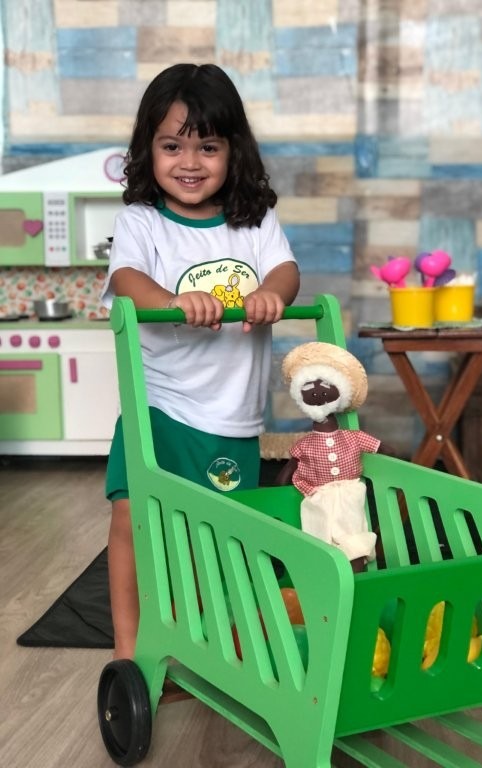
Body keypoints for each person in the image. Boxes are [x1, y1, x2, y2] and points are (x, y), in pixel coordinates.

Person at [101, 63, 300, 660]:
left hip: (229, 419)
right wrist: (171, 301)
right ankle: (128, 651)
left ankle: (214, 642)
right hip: (159, 409)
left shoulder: (255, 222)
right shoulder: (142, 222)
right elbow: (127, 279)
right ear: (149, 149)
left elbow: (285, 271)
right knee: (133, 518)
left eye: (208, 147)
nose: (189, 162)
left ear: (234, 151)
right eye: (172, 146)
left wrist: (272, 295)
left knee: (218, 533)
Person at [276, 342, 396, 572]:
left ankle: (355, 569)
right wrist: (290, 485)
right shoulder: (305, 445)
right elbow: (290, 469)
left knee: (353, 533)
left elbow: (382, 448)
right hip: (317, 495)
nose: (317, 392)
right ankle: (323, 570)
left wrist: (390, 457)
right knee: (319, 531)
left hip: (349, 493)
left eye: (325, 386)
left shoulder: (352, 437)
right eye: (309, 387)